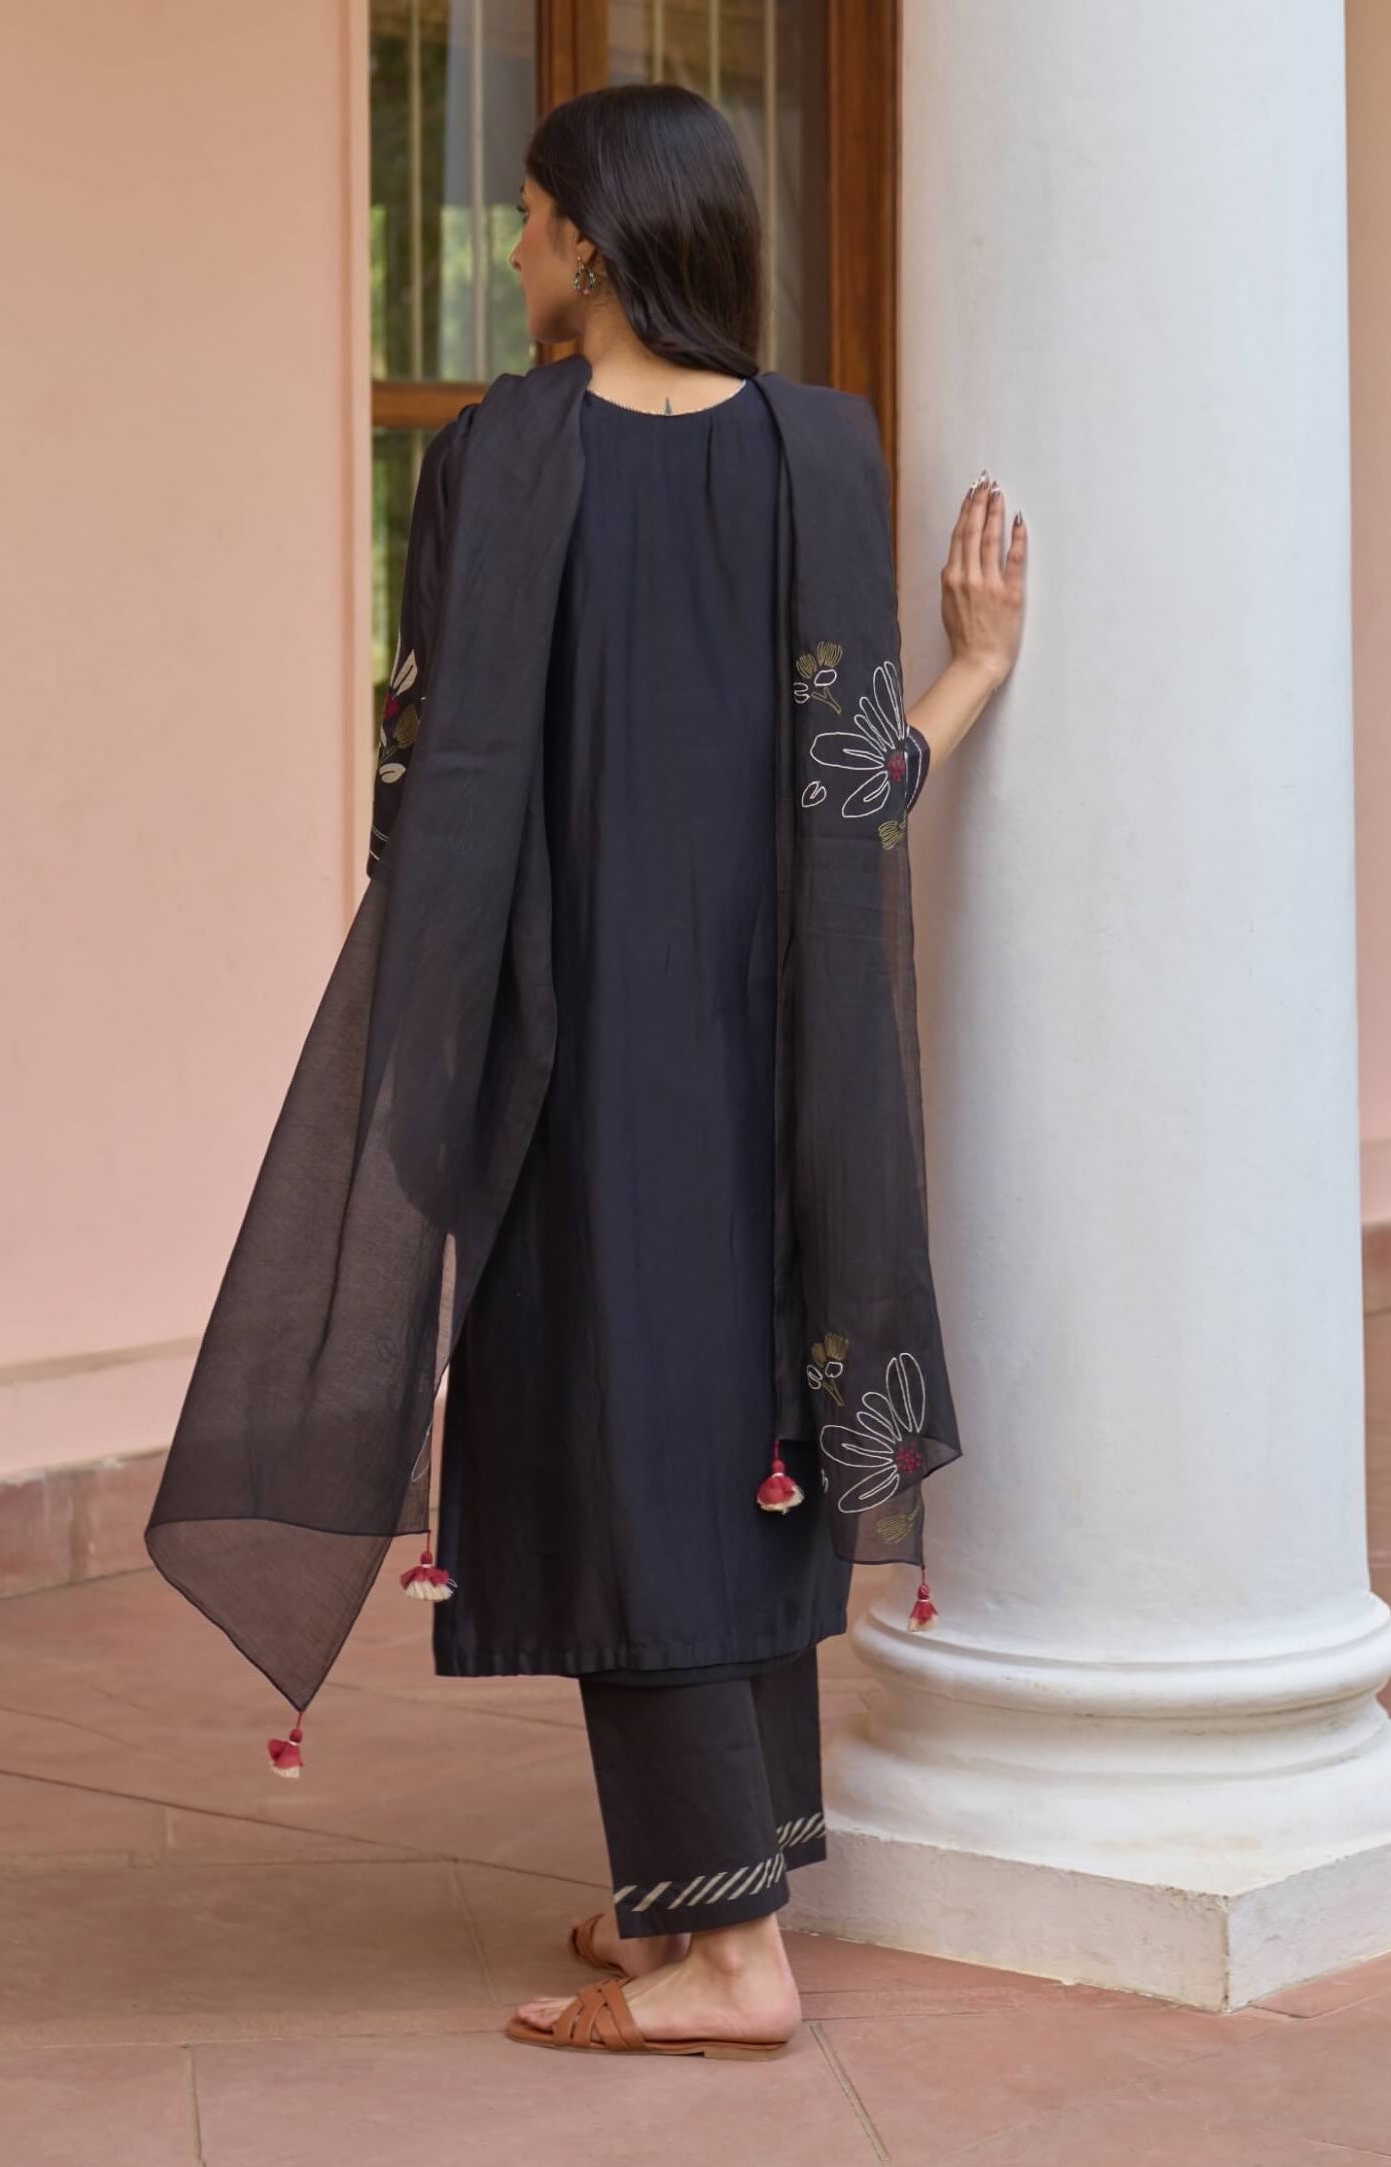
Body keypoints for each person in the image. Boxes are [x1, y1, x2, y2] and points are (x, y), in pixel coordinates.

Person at [144, 81, 1027, 2061]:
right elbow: (848, 795)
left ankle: (735, 1963)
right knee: (744, 1439)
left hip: (578, 1055)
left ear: (596, 245)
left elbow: (442, 789)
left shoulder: (501, 458)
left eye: (537, 215)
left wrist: (433, 1058)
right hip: (774, 1066)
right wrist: (973, 664)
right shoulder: (819, 452)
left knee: (622, 1464)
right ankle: (705, 1886)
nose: (523, 244)